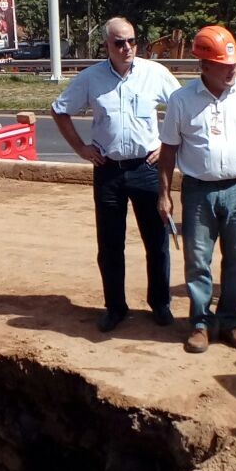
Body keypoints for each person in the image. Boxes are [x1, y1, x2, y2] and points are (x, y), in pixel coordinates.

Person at [52, 17, 182, 333]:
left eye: (131, 41)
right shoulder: (91, 78)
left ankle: (160, 303)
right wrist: (81, 148)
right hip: (108, 172)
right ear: (107, 46)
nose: (126, 48)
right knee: (110, 244)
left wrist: (166, 148)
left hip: (147, 170)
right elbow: (59, 109)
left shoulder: (155, 74)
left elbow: (183, 109)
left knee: (157, 241)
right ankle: (115, 307)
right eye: (119, 43)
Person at [157, 25, 236, 354]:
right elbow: (168, 150)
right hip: (198, 191)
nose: (232, 69)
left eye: (234, 63)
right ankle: (200, 322)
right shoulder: (181, 100)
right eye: (223, 65)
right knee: (198, 259)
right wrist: (164, 193)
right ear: (204, 66)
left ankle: (231, 321)